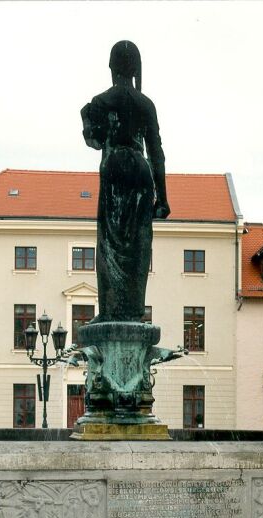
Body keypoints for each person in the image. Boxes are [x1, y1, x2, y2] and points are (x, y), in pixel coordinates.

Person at [81, 40, 170, 323]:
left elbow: (93, 140)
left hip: (115, 168)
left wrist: (85, 117)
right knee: (140, 243)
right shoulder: (146, 104)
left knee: (110, 243)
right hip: (141, 171)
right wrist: (163, 198)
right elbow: (157, 153)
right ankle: (134, 311)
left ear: (111, 66)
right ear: (135, 69)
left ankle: (109, 312)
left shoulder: (102, 100)